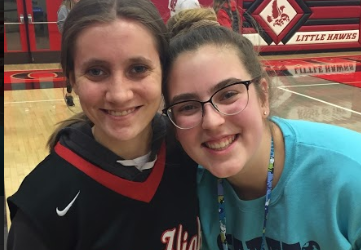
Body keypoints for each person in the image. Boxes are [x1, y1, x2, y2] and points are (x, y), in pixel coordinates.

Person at [6, 0, 201, 249]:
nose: (119, 95)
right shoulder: (44, 203)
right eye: (96, 71)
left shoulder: (192, 153)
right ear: (71, 79)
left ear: (164, 71)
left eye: (138, 68)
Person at [163, 8, 361, 250]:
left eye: (228, 94)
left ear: (263, 96)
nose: (212, 122)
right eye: (188, 107)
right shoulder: (185, 181)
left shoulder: (350, 173)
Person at [57, 0, 80, 107]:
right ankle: (69, 94)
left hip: (84, 44)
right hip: (71, 43)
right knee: (71, 70)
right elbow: (61, 25)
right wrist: (72, 34)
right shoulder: (64, 8)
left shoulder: (86, 6)